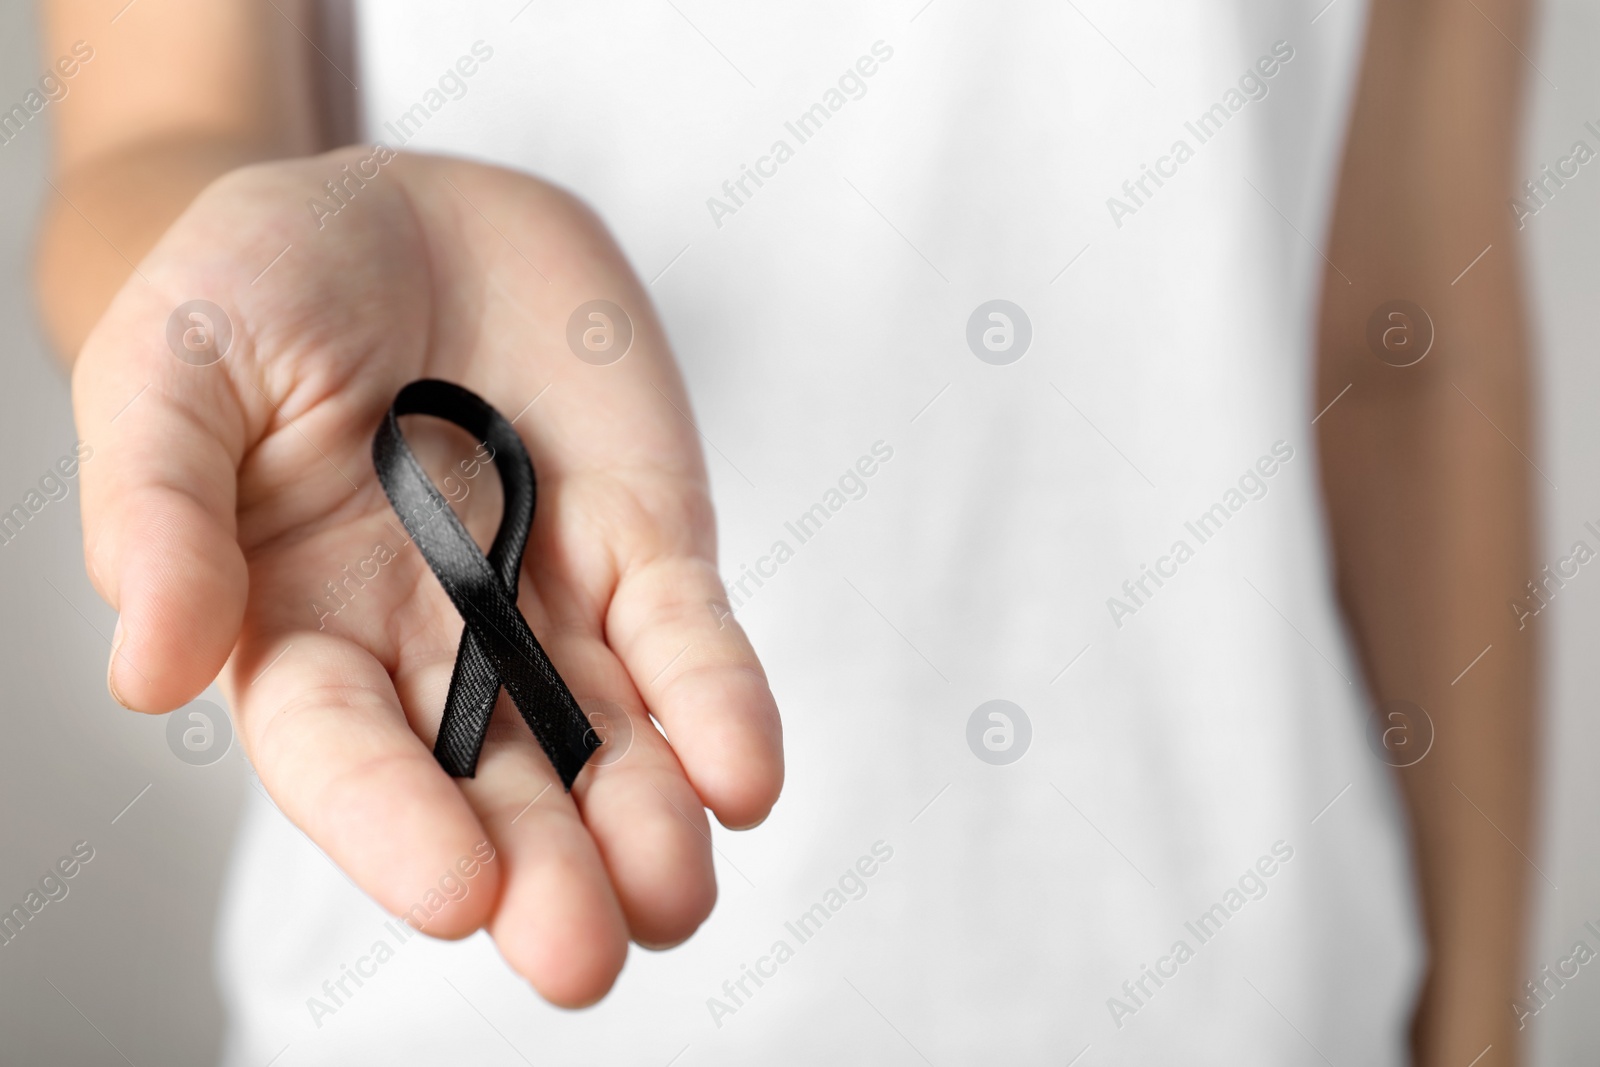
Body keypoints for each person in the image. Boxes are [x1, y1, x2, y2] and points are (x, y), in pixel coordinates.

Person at [35, 0, 1537, 1063]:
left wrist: (1483, 1027)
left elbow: (1412, 341)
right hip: (452, 994)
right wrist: (239, 286)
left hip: (1248, 996)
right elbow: (152, 136)